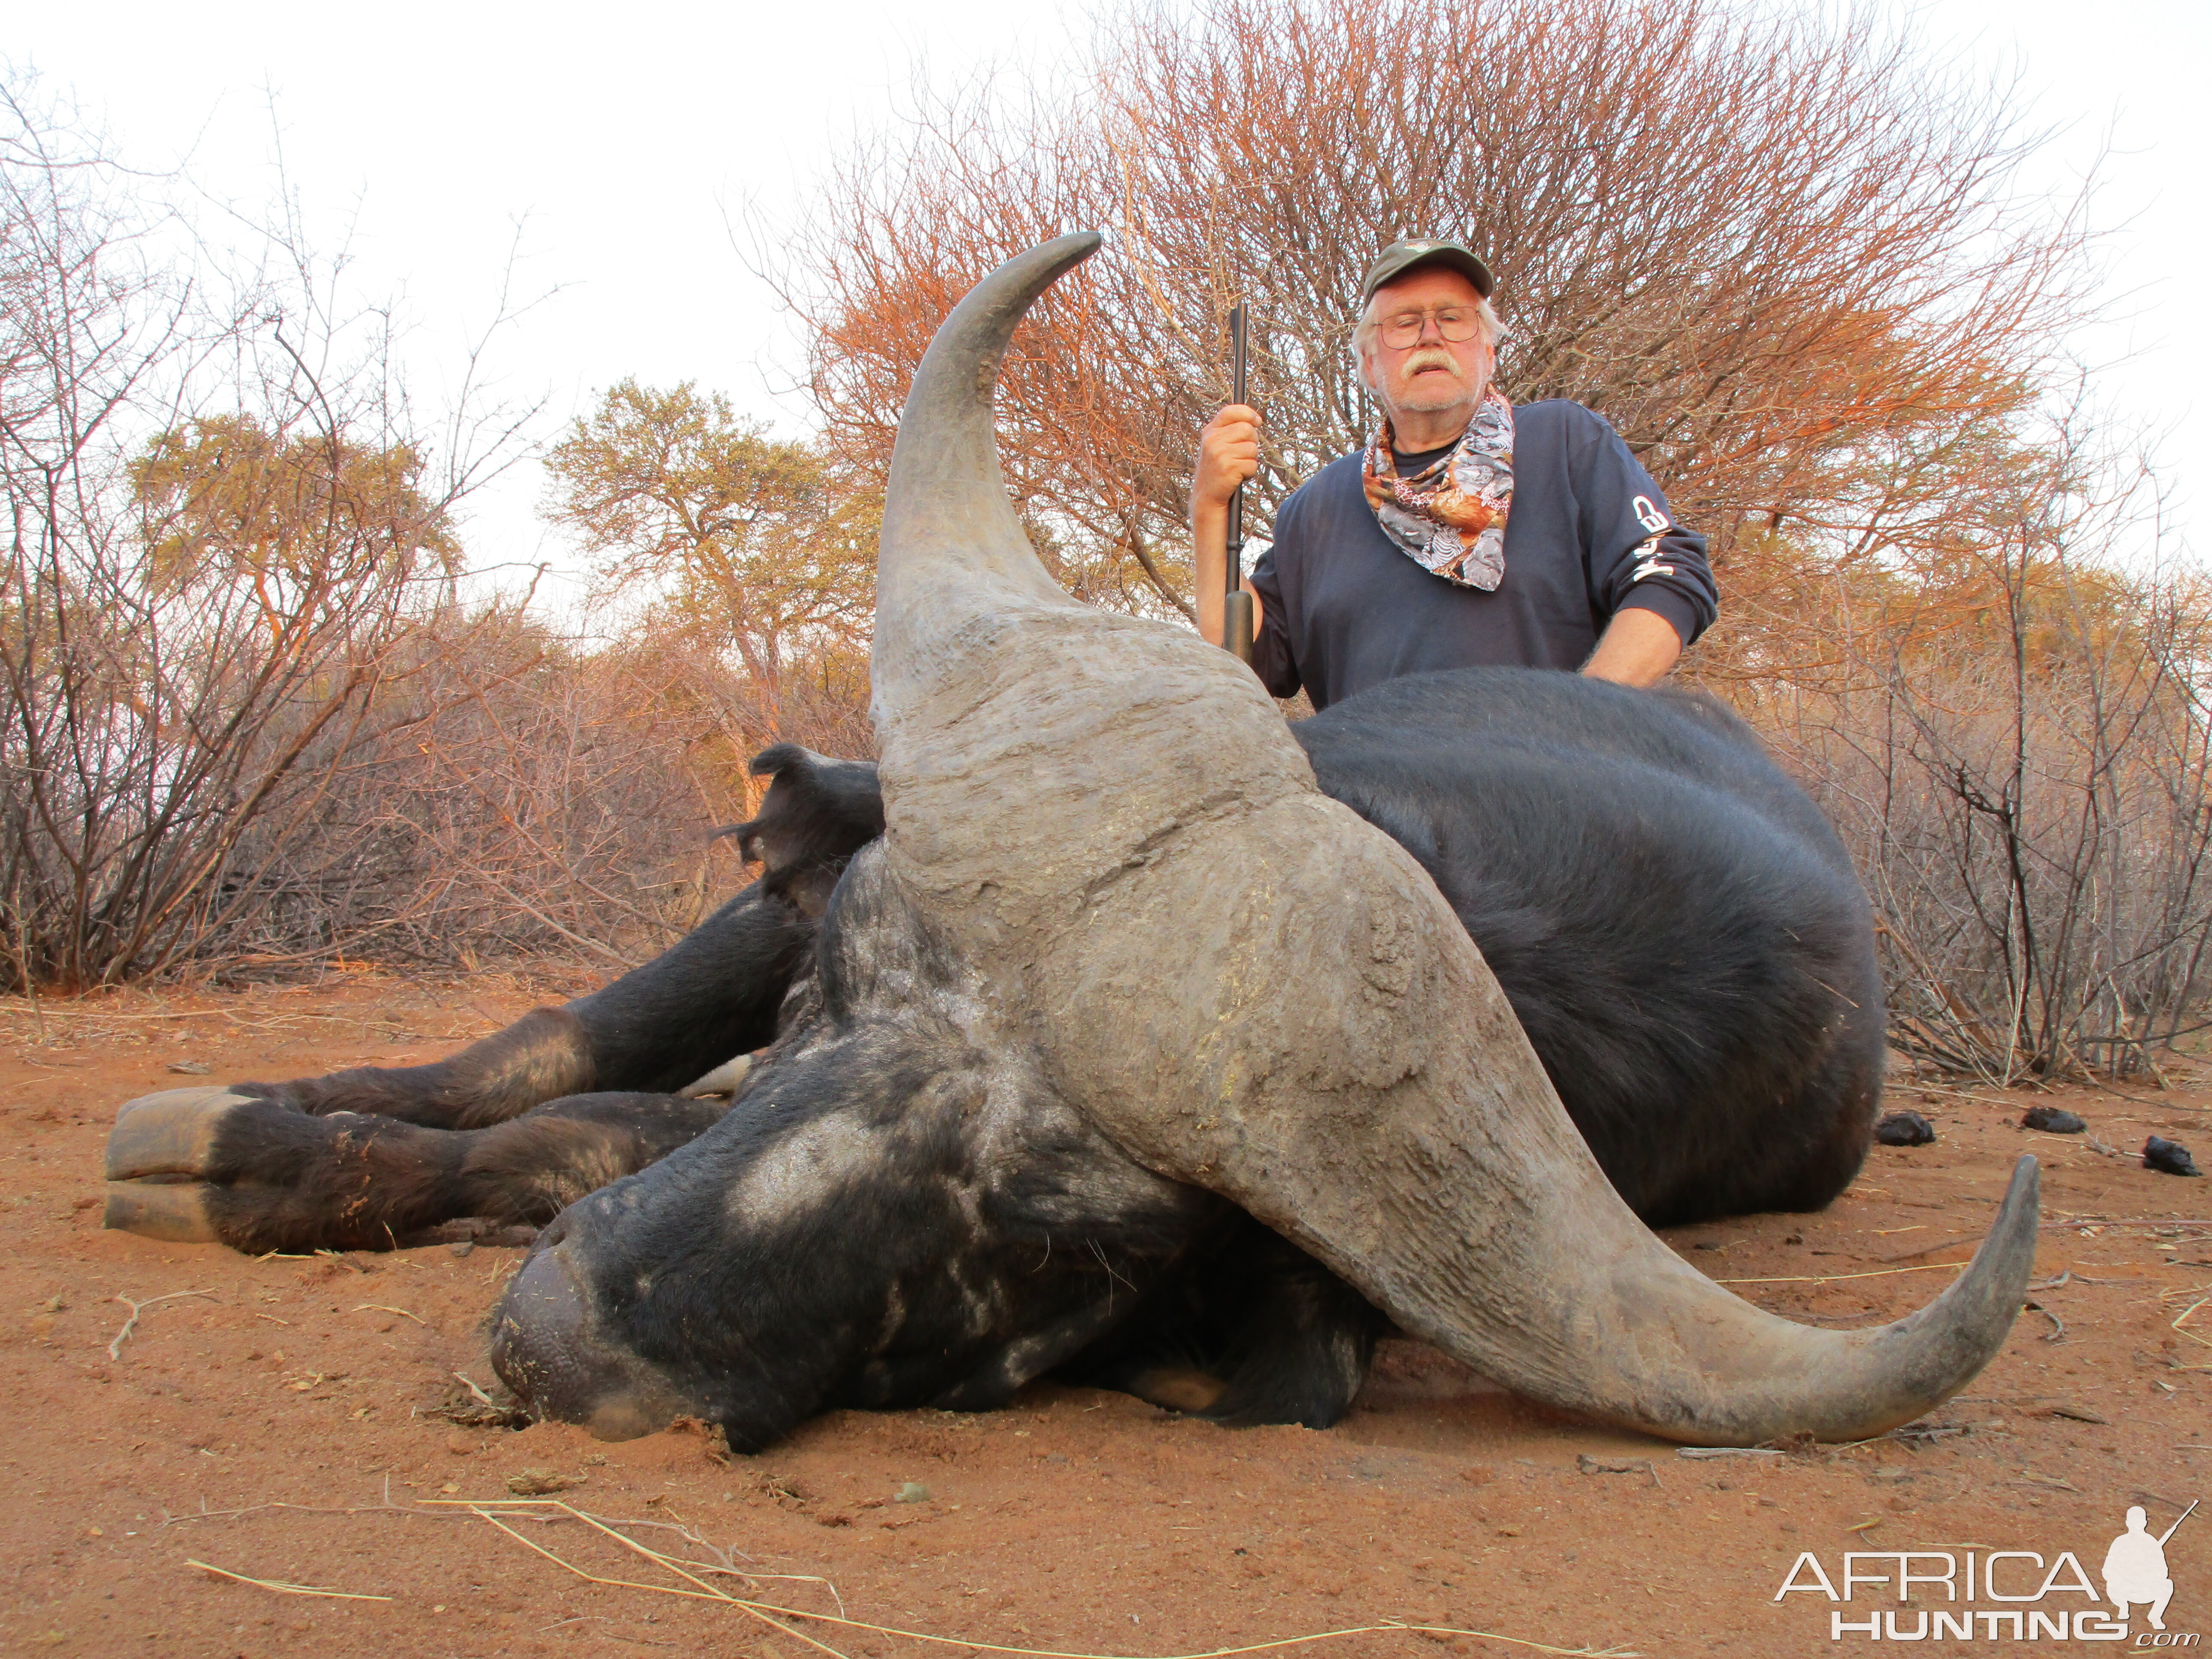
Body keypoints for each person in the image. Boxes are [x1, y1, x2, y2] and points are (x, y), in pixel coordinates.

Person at [1192, 238, 1719, 709]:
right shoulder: (1314, 510)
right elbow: (1245, 665)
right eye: (1403, 323)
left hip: (1553, 805)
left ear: (1487, 351)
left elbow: (1668, 576)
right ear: (1369, 364)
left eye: (1452, 318)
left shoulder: (1565, 442)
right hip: (1367, 814)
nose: (1429, 336)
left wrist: (1580, 717)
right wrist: (1210, 509)